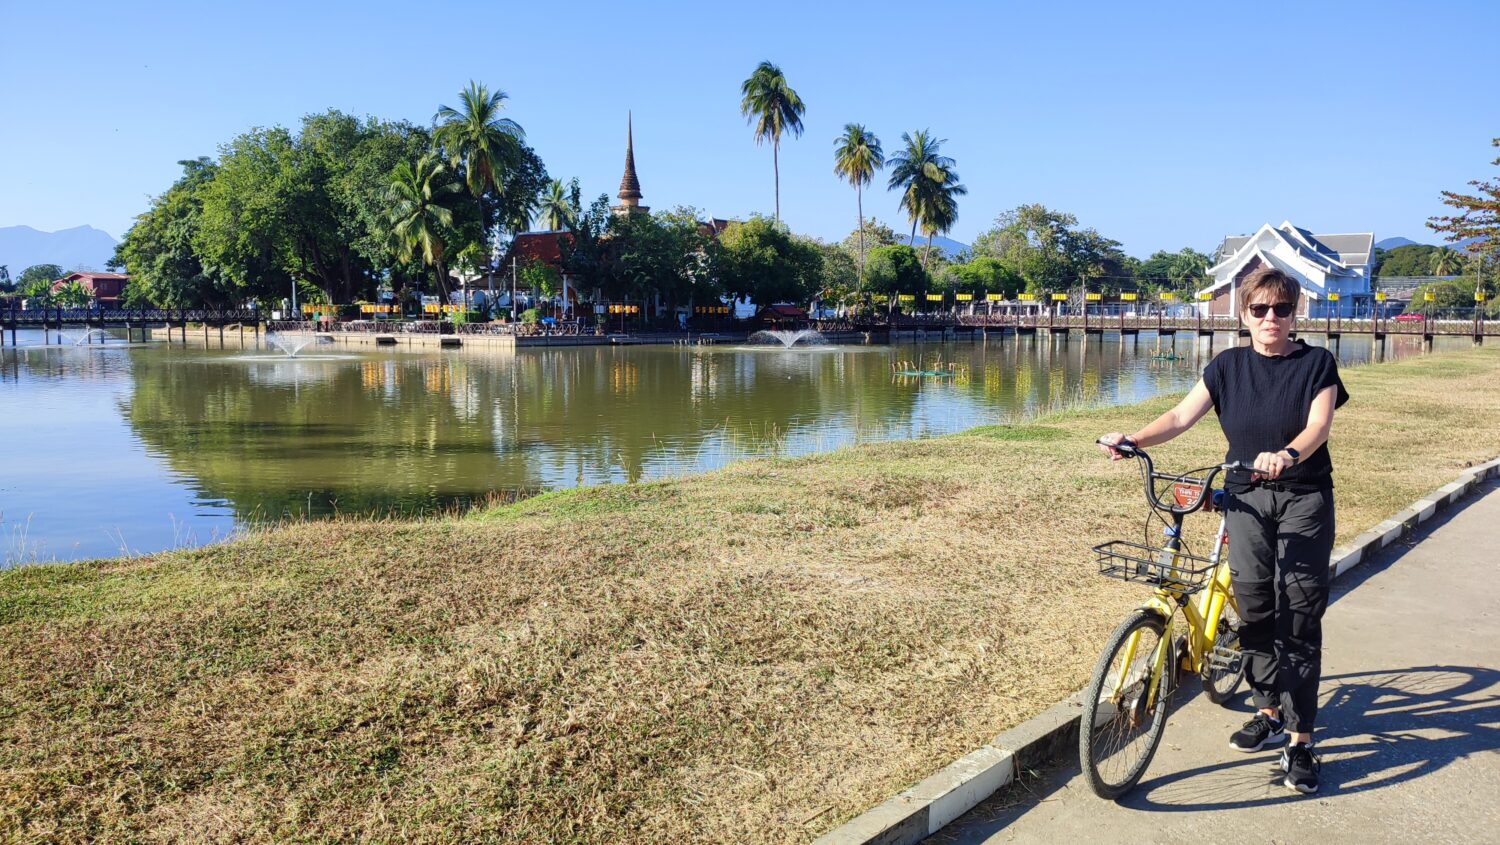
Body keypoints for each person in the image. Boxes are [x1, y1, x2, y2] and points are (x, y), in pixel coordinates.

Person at [1099, 266, 1349, 795]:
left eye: (1281, 310)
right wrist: (1135, 439)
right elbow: (1180, 415)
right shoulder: (1228, 366)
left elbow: (1319, 426)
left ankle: (1302, 740)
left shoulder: (1317, 364)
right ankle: (1268, 710)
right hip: (1246, 498)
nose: (1271, 319)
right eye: (1260, 310)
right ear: (1244, 315)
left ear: (1294, 312)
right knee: (1256, 610)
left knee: (1299, 616)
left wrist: (1287, 455)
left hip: (1303, 496)